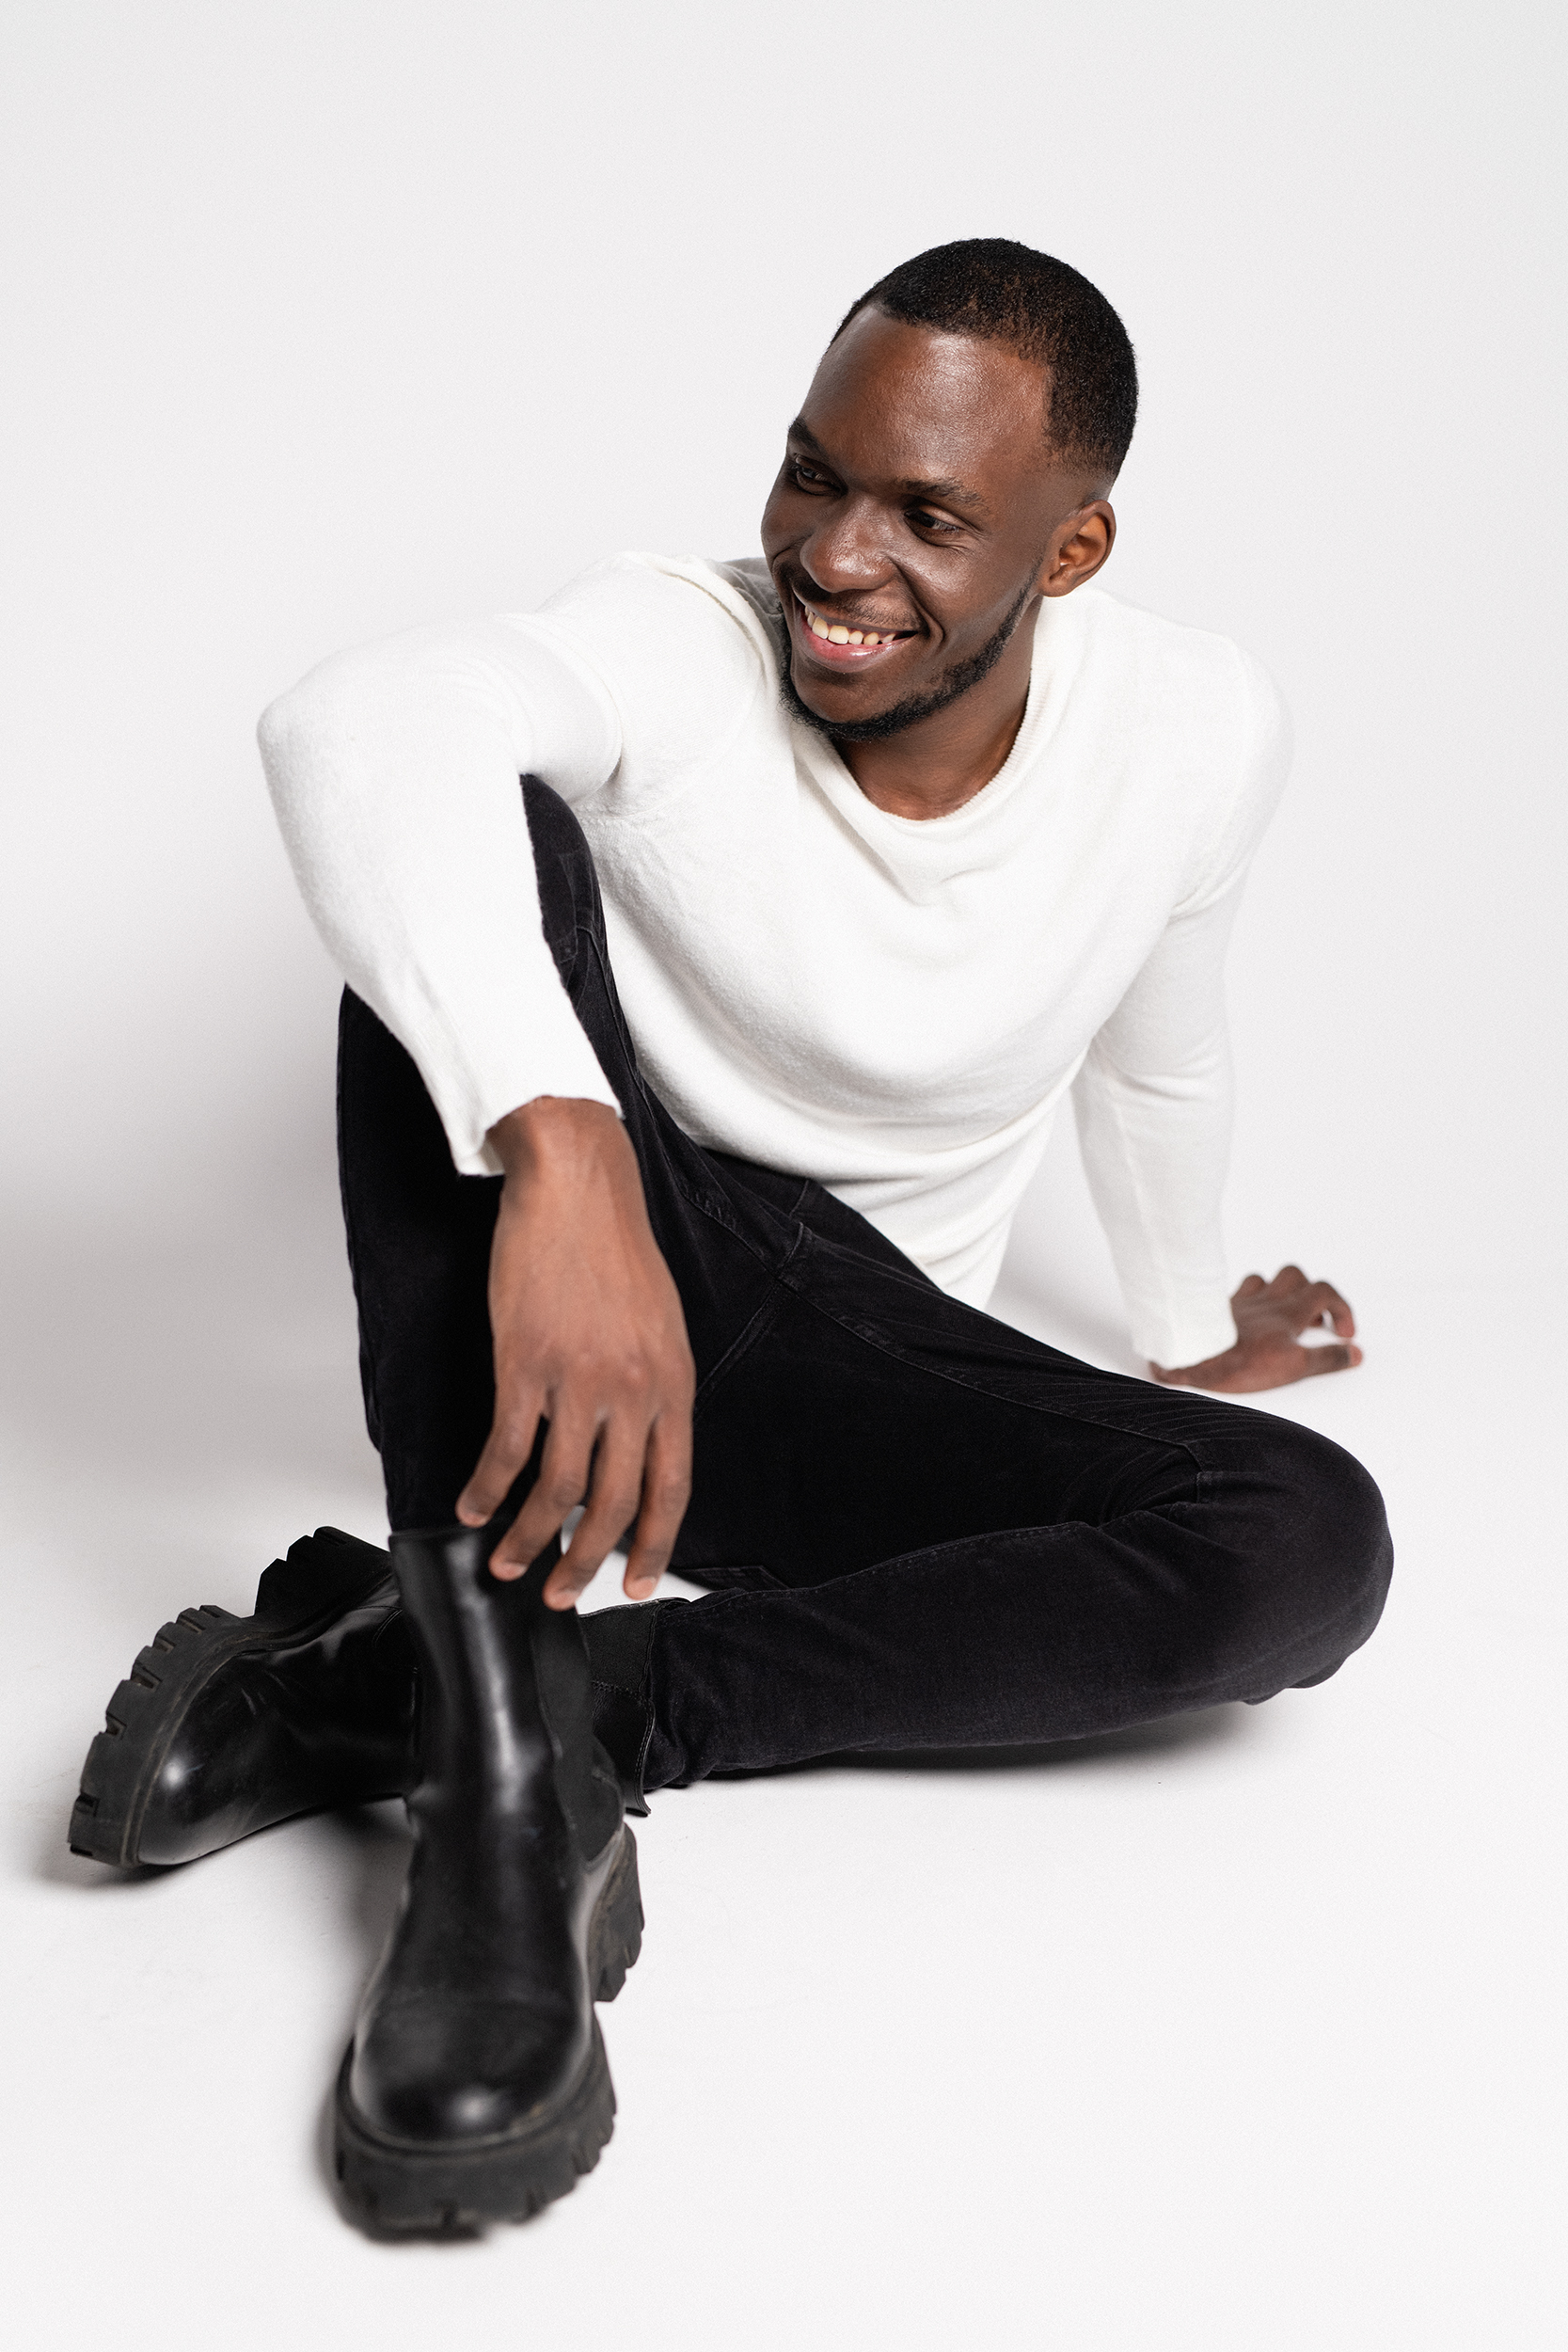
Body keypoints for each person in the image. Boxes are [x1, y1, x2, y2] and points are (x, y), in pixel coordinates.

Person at [69, 240, 1391, 2233]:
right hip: (589, 1321)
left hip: (852, 1370)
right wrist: (570, 1154)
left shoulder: (1198, 727)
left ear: (1074, 546)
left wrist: (1188, 1325)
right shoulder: (680, 641)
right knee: (468, 841)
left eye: (929, 515)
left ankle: (527, 1699)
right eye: (812, 473)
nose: (836, 558)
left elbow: (1161, 1046)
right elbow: (351, 723)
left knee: (1310, 1535)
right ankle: (501, 1793)